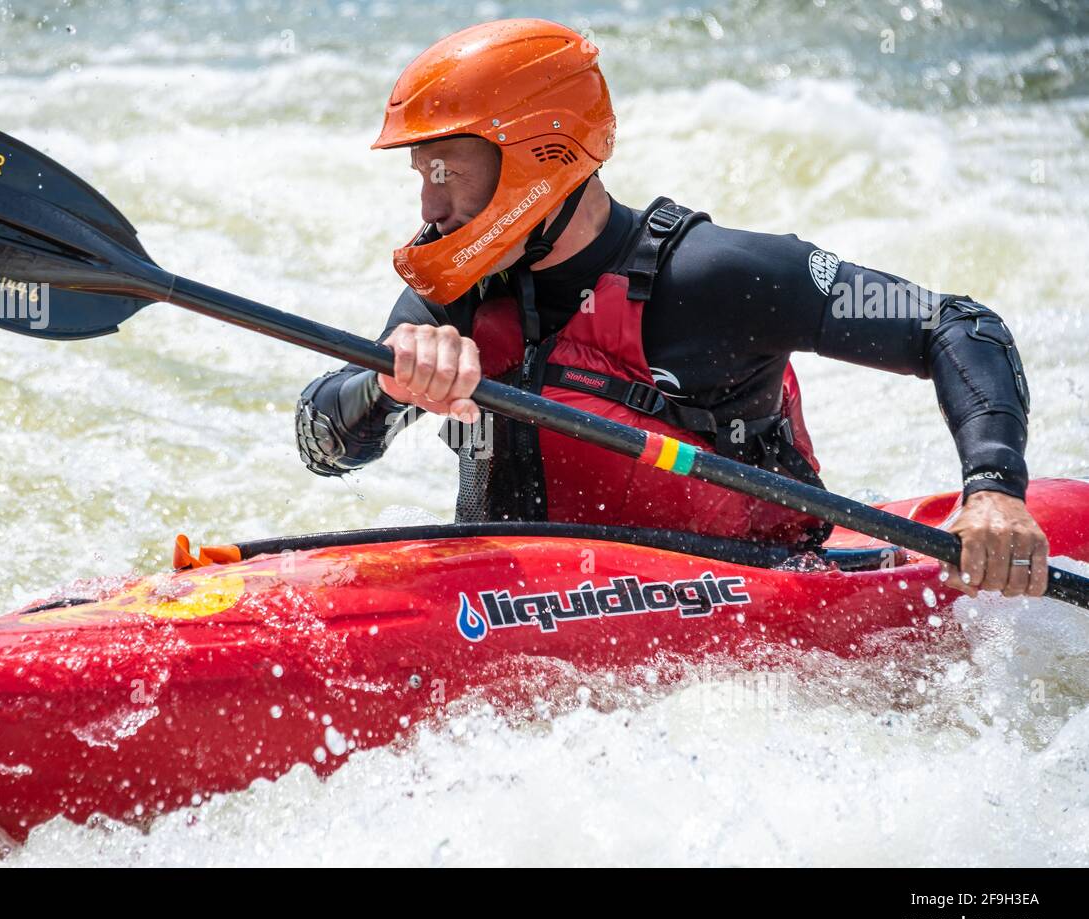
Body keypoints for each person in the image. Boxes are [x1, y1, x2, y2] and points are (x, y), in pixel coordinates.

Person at [295, 18, 1047, 598]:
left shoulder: (717, 277)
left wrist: (993, 491)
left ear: (537, 154)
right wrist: (387, 384)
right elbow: (323, 445)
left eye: (444, 170)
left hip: (752, 603)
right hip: (514, 608)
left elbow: (954, 324)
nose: (427, 204)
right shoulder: (455, 289)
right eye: (421, 174)